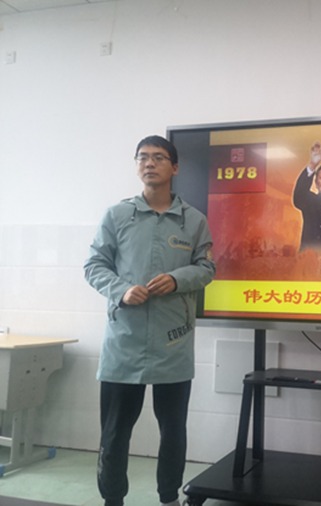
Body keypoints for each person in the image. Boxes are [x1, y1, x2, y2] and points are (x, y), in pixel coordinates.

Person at [84, 135, 216, 506]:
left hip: (173, 342)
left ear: (175, 167)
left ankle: (169, 497)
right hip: (123, 342)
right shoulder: (117, 215)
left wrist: (177, 279)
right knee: (114, 432)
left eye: (158, 157)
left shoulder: (194, 220)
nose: (149, 163)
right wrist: (121, 290)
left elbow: (207, 268)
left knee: (173, 430)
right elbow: (94, 265)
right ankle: (112, 499)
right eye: (142, 157)